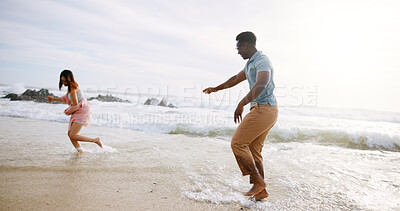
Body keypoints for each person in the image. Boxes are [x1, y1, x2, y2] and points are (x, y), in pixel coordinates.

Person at [203, 31, 278, 200]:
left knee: (237, 143)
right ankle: (261, 192)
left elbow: (262, 83)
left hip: (264, 109)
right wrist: (216, 88)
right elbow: (235, 79)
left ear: (245, 45)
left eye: (238, 48)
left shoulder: (262, 60)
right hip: (264, 110)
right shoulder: (249, 63)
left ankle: (258, 181)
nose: (237, 52)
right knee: (253, 150)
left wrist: (241, 103)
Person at [47, 70, 102, 153]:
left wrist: (67, 111)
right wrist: (53, 99)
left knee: (73, 135)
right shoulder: (71, 88)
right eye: (62, 80)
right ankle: (80, 150)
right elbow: (66, 97)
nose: (63, 82)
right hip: (78, 112)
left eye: (65, 80)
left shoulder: (73, 89)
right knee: (70, 134)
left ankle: (95, 140)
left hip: (82, 112)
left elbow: (75, 104)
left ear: (69, 79)